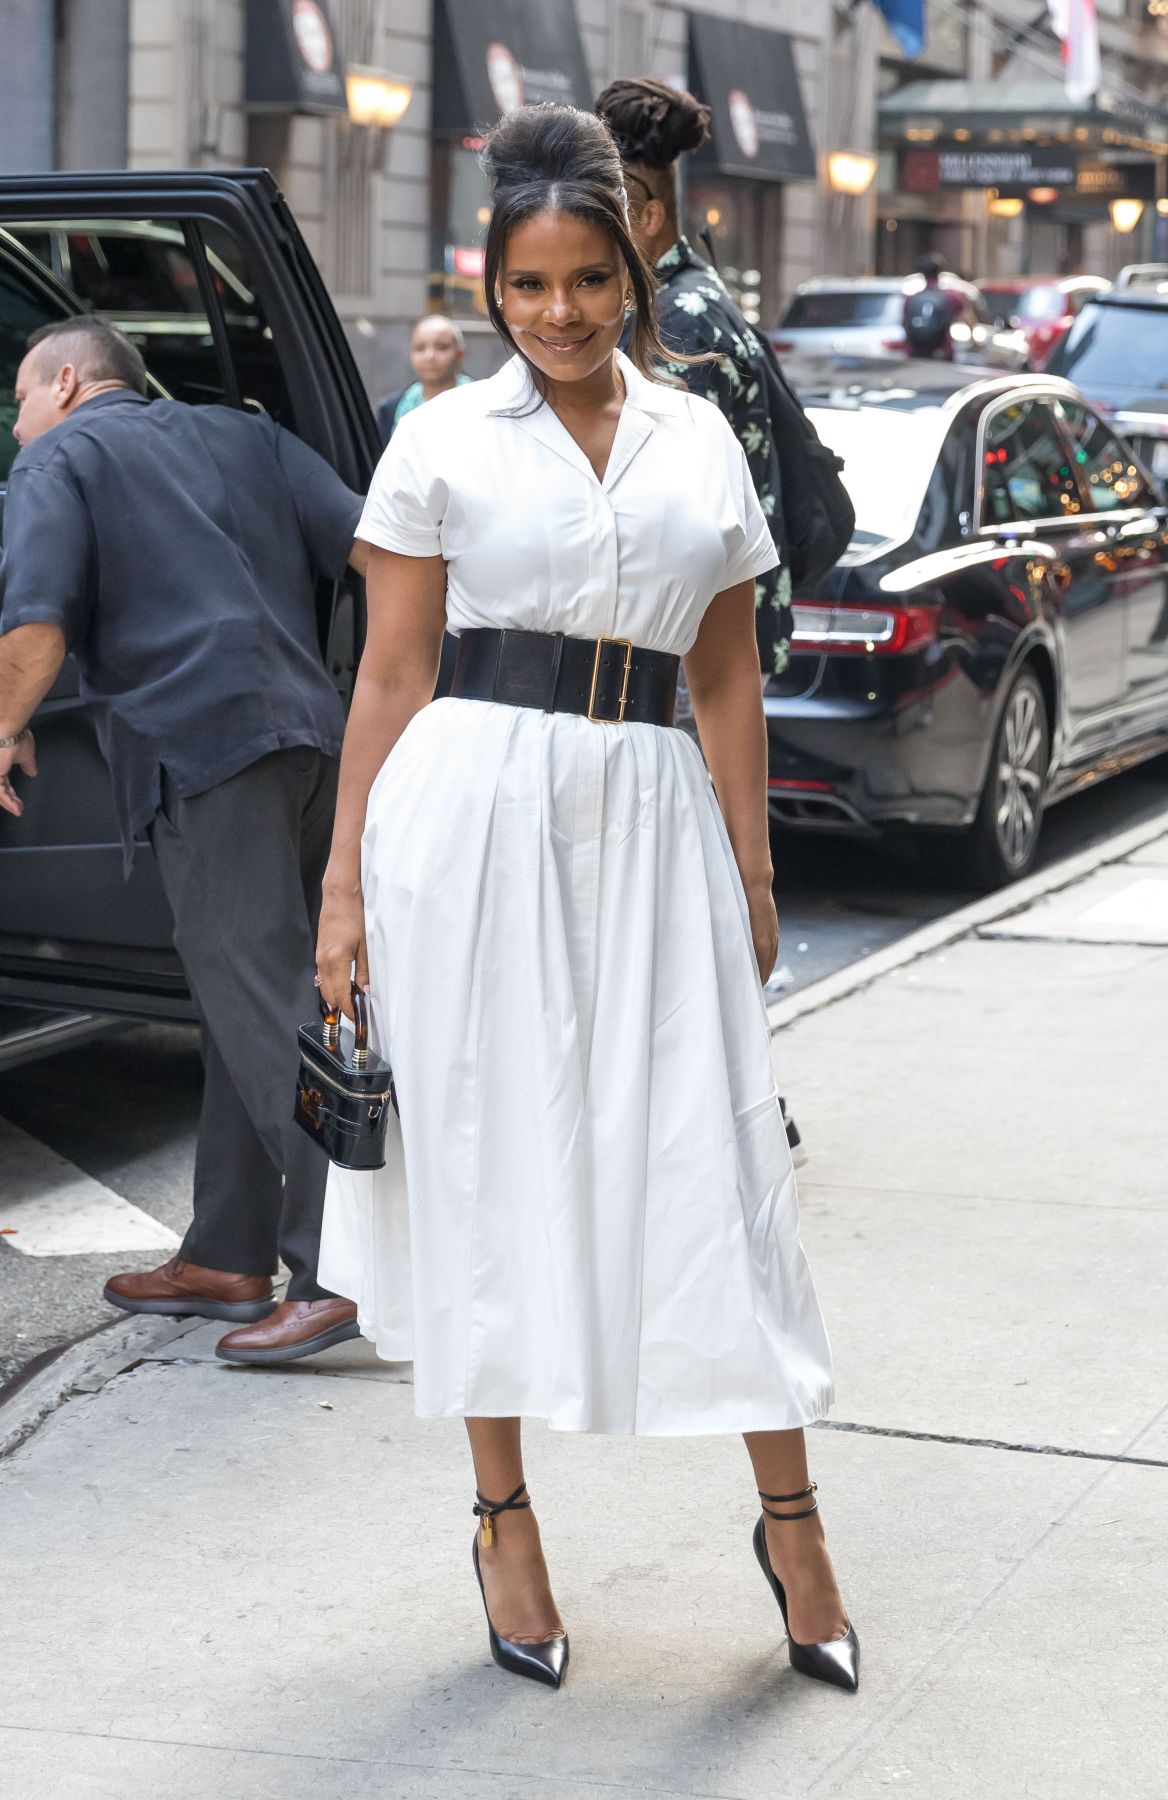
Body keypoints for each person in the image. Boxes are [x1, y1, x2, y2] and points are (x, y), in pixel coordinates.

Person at [314, 103, 857, 1694]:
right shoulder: (441, 438)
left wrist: (753, 862)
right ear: (494, 286)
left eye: (588, 282)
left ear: (636, 267)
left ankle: (795, 1519)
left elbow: (732, 674)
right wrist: (343, 886)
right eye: (528, 286)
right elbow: (391, 677)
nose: (557, 314)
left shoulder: (698, 435)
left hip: (651, 819)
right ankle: (503, 1517)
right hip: (468, 820)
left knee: (713, 1165)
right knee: (482, 1160)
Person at [0, 315, 367, 1366]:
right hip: (310, 740)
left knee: (266, 1012)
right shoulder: (247, 437)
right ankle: (227, 1254)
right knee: (242, 1002)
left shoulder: (61, 455)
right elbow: (375, 546)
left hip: (208, 757)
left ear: (66, 382)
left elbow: (32, 624)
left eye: (20, 402)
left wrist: (3, 726)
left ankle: (345, 1270)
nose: (19, 426)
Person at [596, 76, 805, 1166]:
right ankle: (733, 1101)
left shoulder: (670, 324)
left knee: (695, 897)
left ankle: (731, 1110)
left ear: (645, 208)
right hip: (705, 642)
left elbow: (671, 520)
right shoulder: (695, 297)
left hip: (683, 654)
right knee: (695, 895)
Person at [374, 315, 472, 442]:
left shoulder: (483, 402)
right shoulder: (391, 409)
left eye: (441, 347)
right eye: (420, 348)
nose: (429, 356)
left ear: (460, 354)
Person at [901, 253, 963, 360]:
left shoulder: (911, 298)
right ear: (940, 273)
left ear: (922, 274)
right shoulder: (952, 297)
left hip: (915, 351)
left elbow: (903, 321)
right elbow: (967, 319)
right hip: (942, 350)